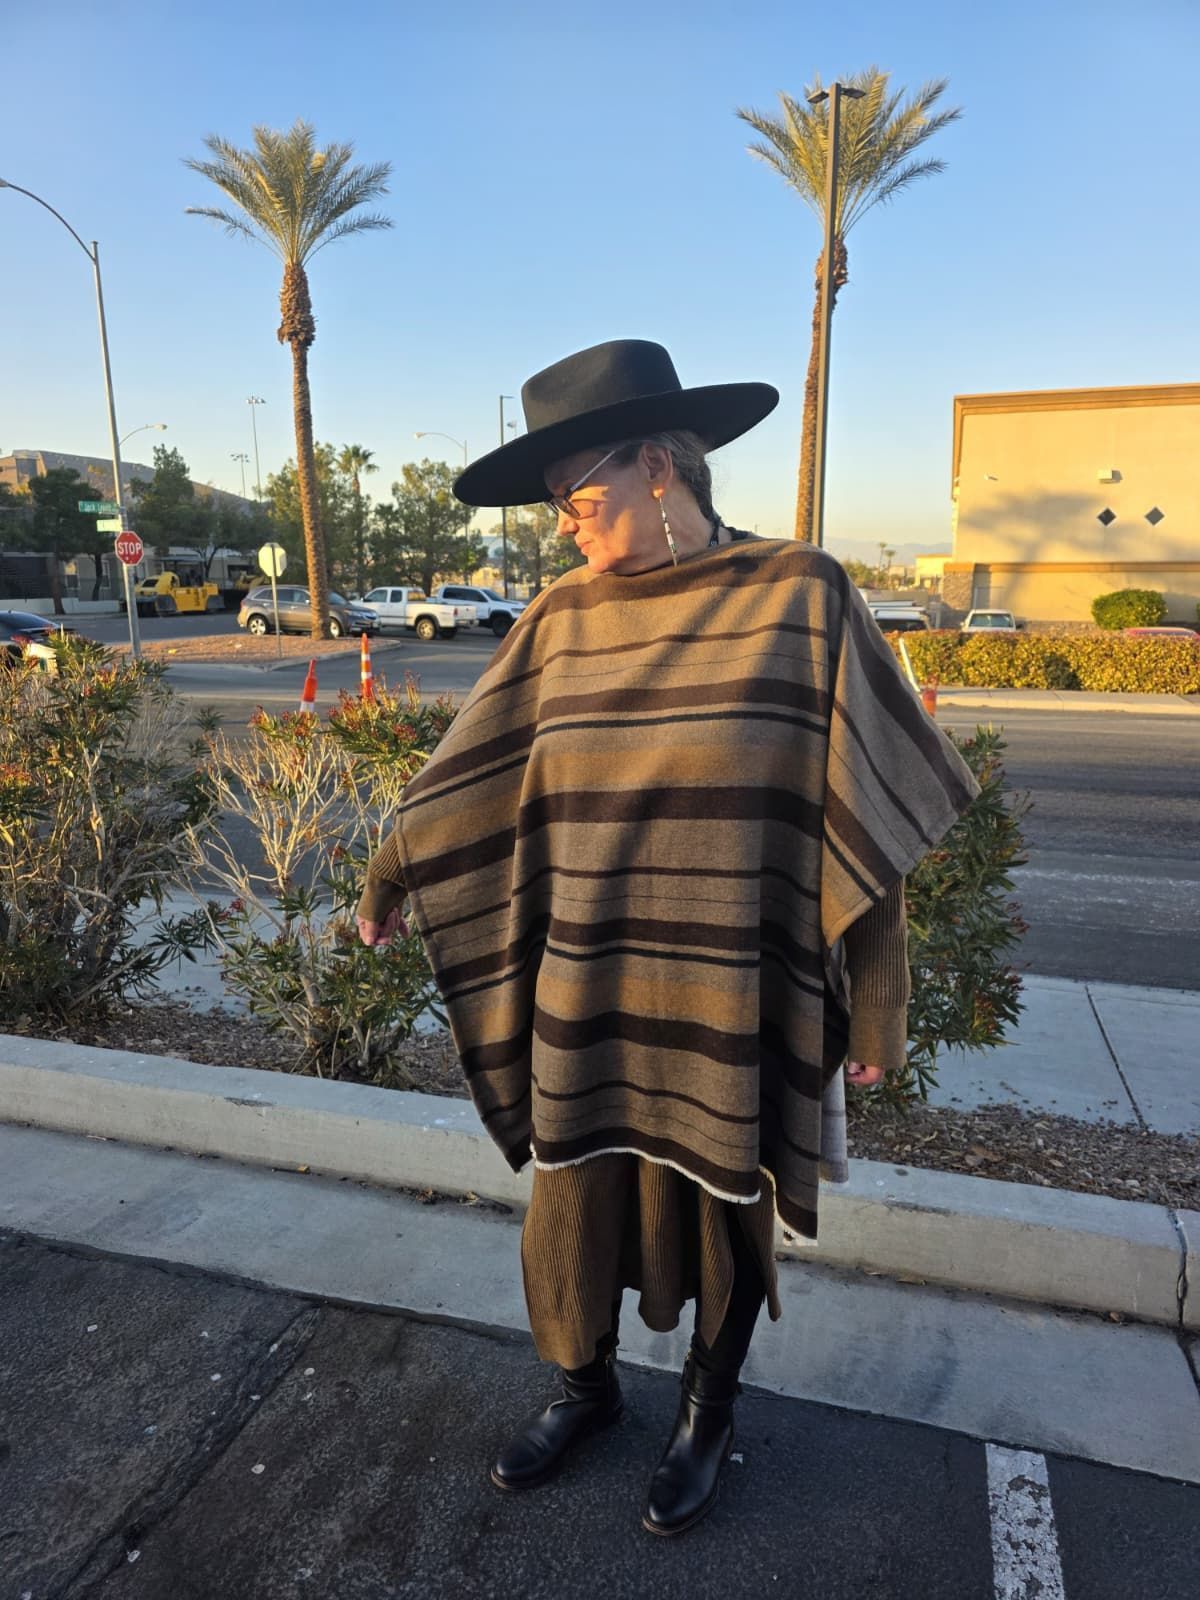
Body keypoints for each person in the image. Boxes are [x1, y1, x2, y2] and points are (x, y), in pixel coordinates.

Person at [357, 339, 979, 1537]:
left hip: (731, 982)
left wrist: (881, 1000)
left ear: (657, 466)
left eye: (579, 499)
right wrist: (389, 874)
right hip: (587, 977)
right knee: (572, 1196)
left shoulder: (802, 594)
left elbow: (864, 813)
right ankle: (584, 1388)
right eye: (557, 510)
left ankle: (708, 1406)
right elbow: (467, 776)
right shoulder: (560, 619)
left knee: (726, 1201)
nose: (566, 529)